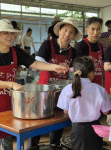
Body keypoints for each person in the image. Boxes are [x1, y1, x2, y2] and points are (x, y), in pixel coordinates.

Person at [0, 19, 68, 150]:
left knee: (7, 137)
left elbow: (35, 63)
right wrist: (12, 84)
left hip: (7, 102)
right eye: (5, 33)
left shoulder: (16, 52)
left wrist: (54, 67)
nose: (10, 36)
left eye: (12, 33)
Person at [27, 17, 82, 149]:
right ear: (59, 31)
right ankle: (32, 147)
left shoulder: (73, 51)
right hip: (43, 92)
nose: (67, 35)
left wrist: (76, 73)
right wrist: (55, 66)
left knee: (58, 124)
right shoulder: (48, 45)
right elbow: (37, 64)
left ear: (74, 36)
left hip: (61, 93)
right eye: (65, 30)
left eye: (71, 32)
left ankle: (54, 146)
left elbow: (73, 71)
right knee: (38, 124)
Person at [57, 56, 111, 150]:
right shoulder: (100, 89)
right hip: (96, 129)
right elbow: (106, 112)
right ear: (91, 73)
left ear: (74, 72)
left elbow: (65, 111)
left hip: (78, 130)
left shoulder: (67, 89)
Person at [76, 17, 104, 86]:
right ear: (87, 30)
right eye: (93, 29)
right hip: (85, 84)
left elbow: (101, 65)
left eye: (98, 29)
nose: (95, 33)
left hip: (98, 83)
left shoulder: (100, 46)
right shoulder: (81, 45)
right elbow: (77, 67)